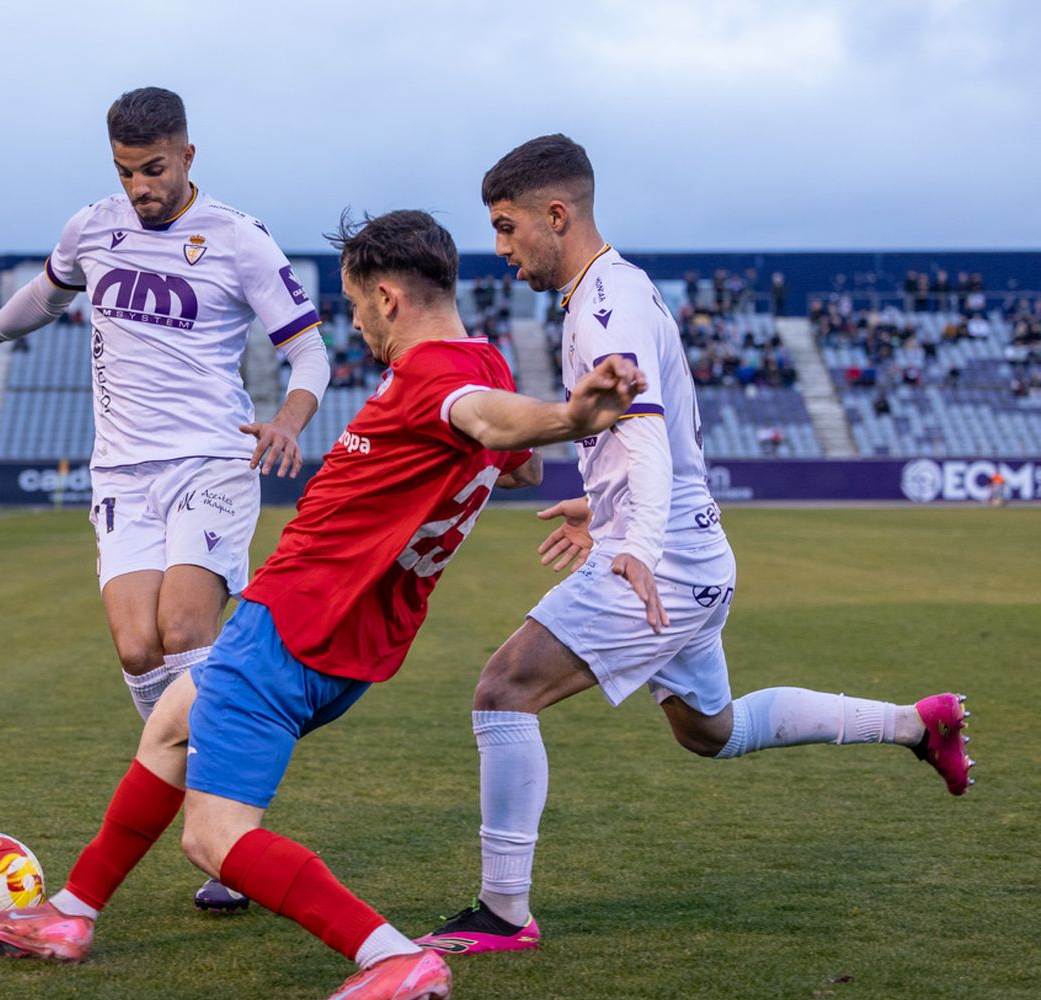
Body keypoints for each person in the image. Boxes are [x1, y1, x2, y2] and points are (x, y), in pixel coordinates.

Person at [0, 209, 646, 1000]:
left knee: (212, 837)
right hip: (349, 645)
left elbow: (488, 422)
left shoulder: (438, 382)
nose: (352, 322)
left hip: (289, 625)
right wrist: (545, 447)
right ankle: (71, 912)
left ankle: (389, 956)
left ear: (388, 297)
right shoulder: (478, 359)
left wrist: (570, 417)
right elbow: (512, 459)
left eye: (353, 305)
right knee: (173, 721)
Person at [415, 135, 972, 957]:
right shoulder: (611, 292)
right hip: (690, 554)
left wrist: (632, 539)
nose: (499, 250)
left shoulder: (606, 302)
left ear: (555, 215)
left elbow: (643, 428)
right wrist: (601, 508)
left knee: (502, 690)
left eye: (506, 227)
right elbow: (638, 436)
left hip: (663, 562)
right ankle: (915, 724)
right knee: (711, 732)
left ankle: (503, 910)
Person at [0, 87, 333, 912]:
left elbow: (311, 354)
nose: (141, 187)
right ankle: (195, 794)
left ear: (188, 156)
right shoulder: (92, 227)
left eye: (154, 169)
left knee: (185, 628)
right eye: (126, 171)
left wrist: (290, 421)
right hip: (121, 474)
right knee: (137, 647)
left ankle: (225, 835)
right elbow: (43, 296)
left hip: (212, 462)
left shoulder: (238, 238)